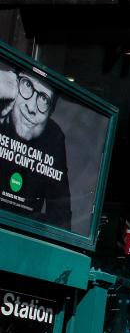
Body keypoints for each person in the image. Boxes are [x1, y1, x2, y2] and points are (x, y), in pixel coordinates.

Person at [0, 66, 71, 229]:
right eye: (27, 85)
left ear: (51, 111)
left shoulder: (54, 137)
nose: (31, 108)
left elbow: (61, 215)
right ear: (14, 86)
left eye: (44, 99)